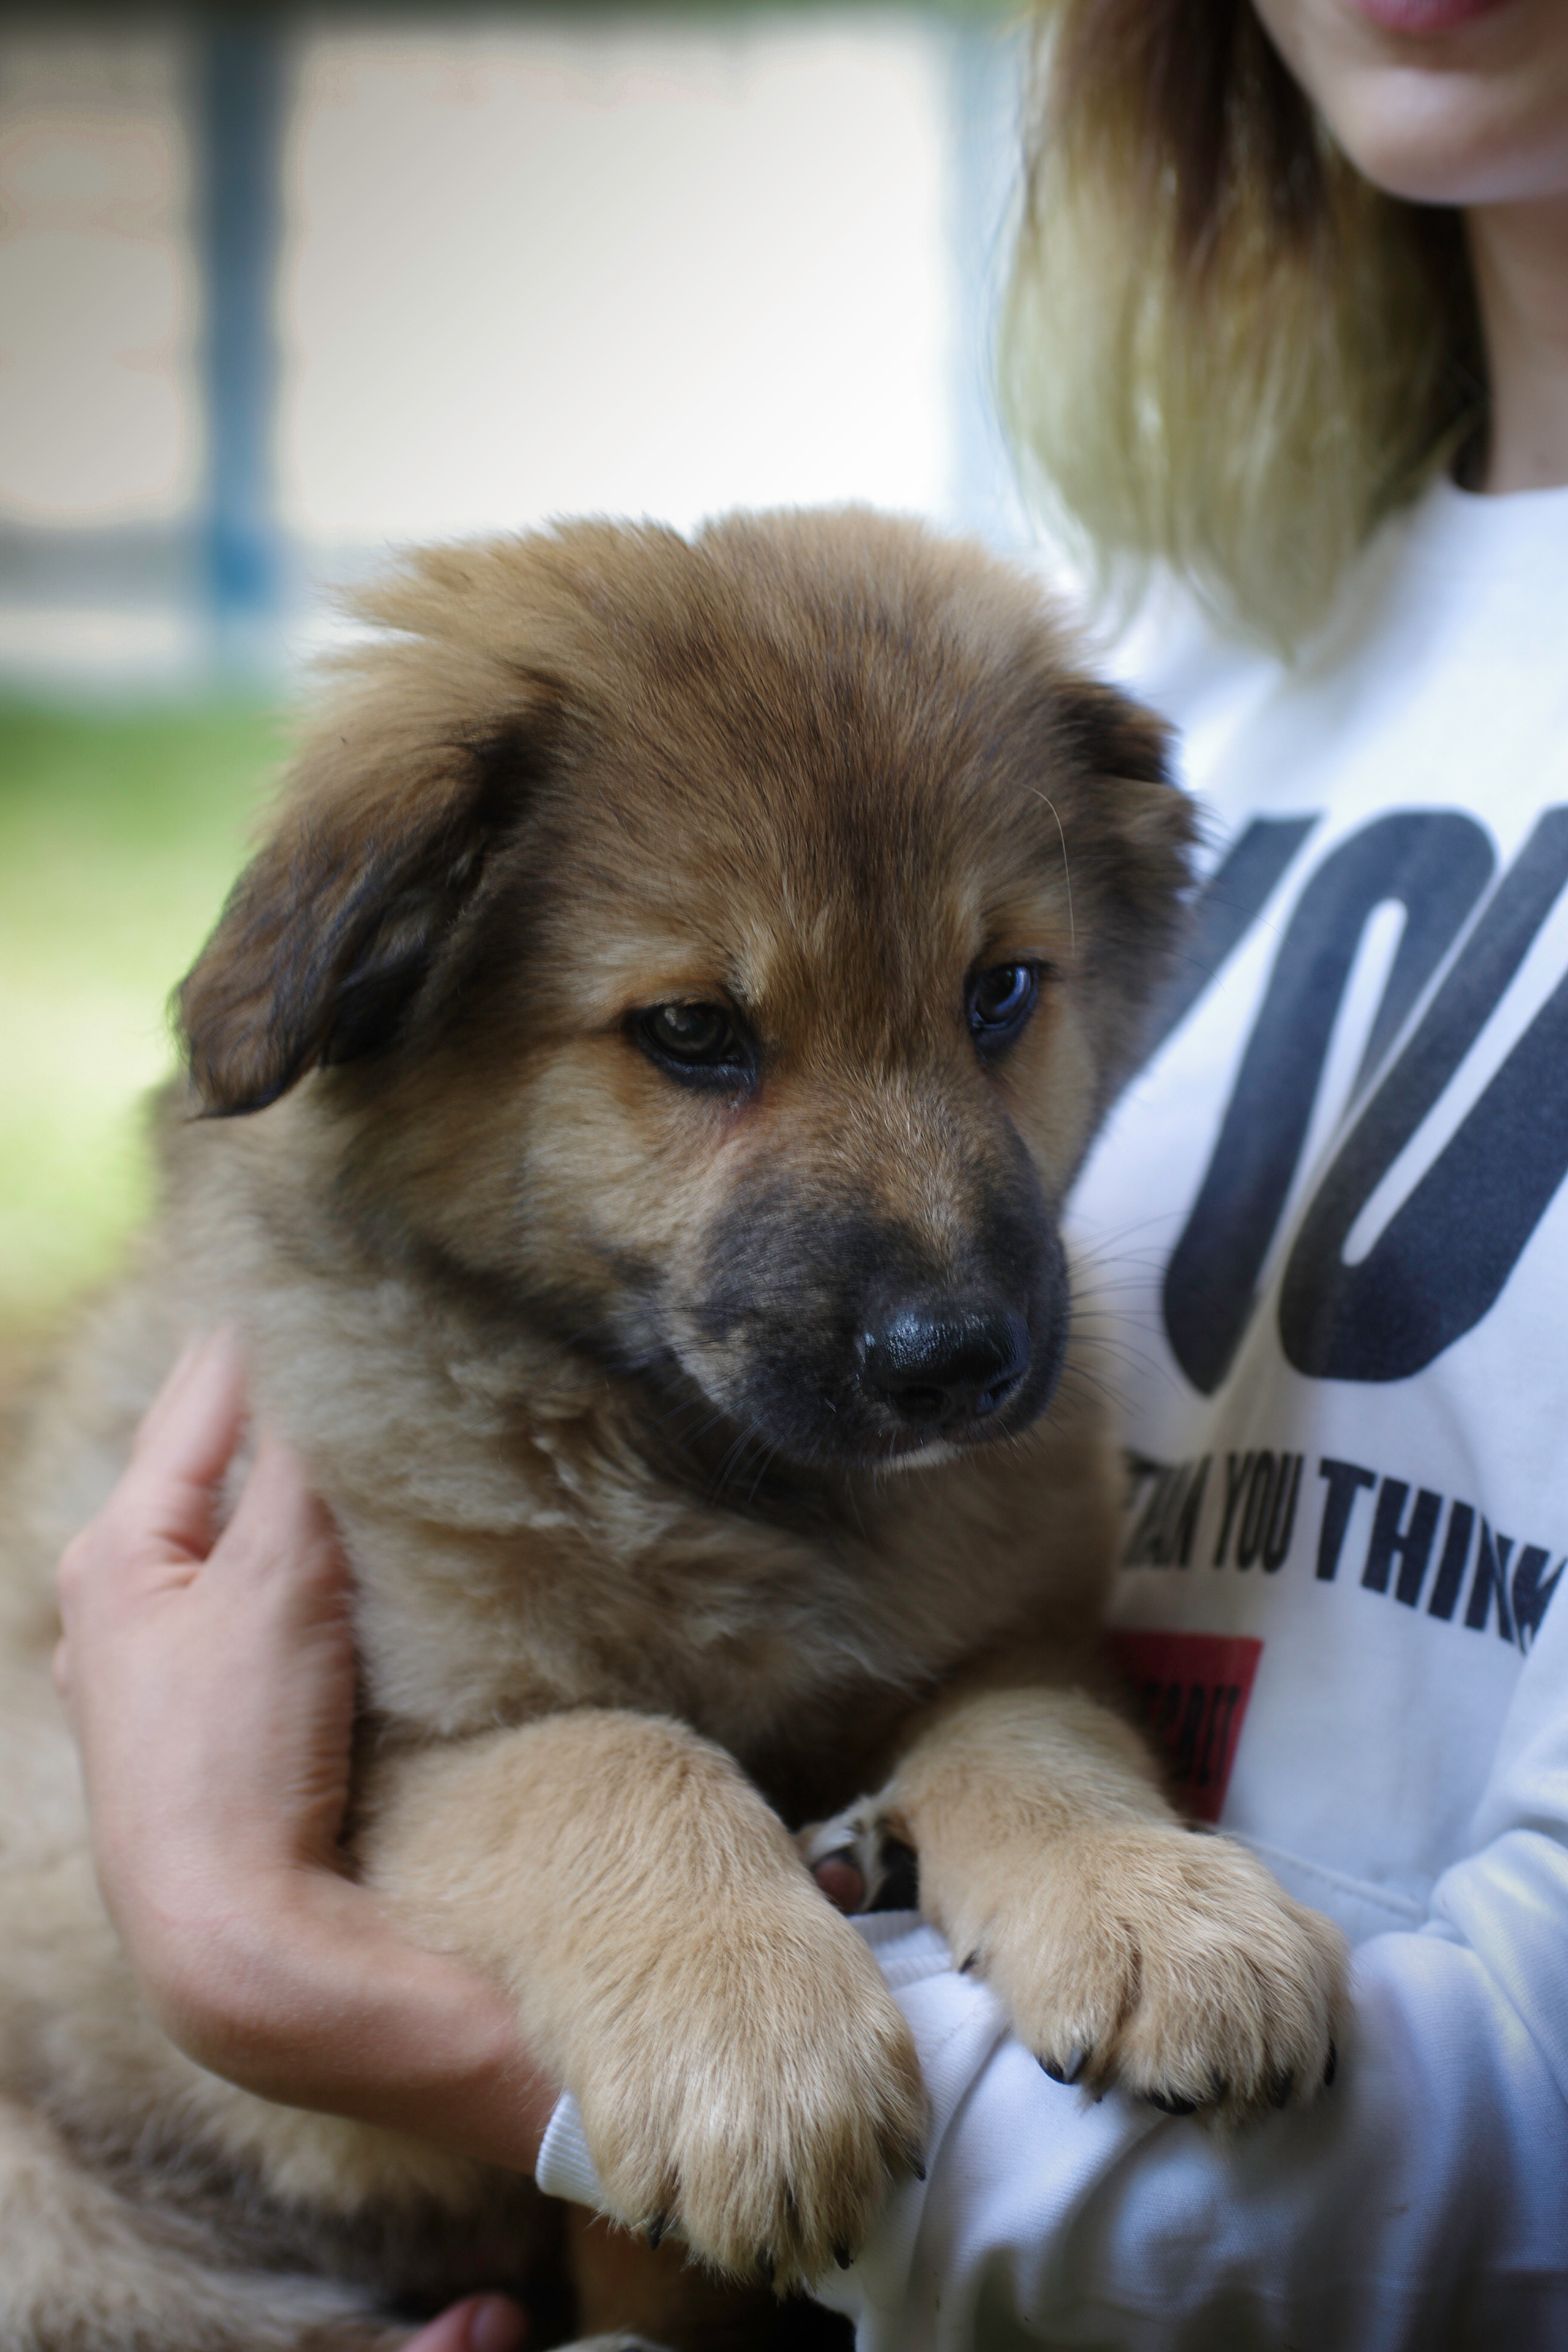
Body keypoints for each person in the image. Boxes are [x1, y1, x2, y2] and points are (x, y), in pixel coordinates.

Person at [51, 0, 1568, 2343]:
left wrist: (284, 1955)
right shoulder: (1253, 652)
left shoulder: (1092, 733)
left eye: (994, 1010)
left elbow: (1006, 1669)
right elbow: (405, 1753)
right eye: (697, 1040)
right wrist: (606, 1864)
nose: (949, 1278)